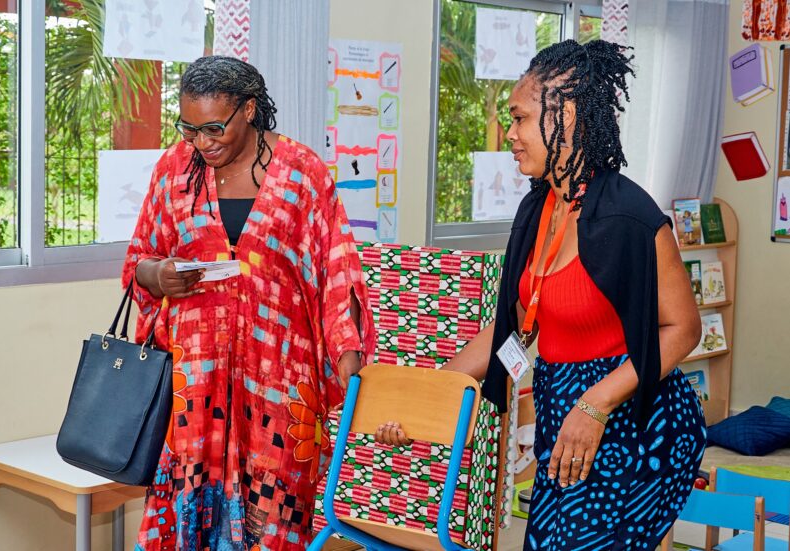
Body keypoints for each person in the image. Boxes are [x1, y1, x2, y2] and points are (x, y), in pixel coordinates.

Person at [377, 40, 706, 550]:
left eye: (519, 119)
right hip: (562, 411)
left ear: (565, 115)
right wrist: (427, 397)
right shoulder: (537, 209)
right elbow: (512, 330)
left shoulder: (629, 217)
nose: (509, 134)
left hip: (634, 418)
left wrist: (595, 404)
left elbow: (684, 329)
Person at [123, 55, 375, 551]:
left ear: (250, 110)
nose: (202, 142)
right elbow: (139, 263)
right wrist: (160, 275)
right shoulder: (174, 169)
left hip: (281, 381)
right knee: (190, 503)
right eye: (190, 128)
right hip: (194, 380)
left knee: (275, 513)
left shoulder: (303, 173)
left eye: (215, 127)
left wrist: (349, 363)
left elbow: (337, 271)